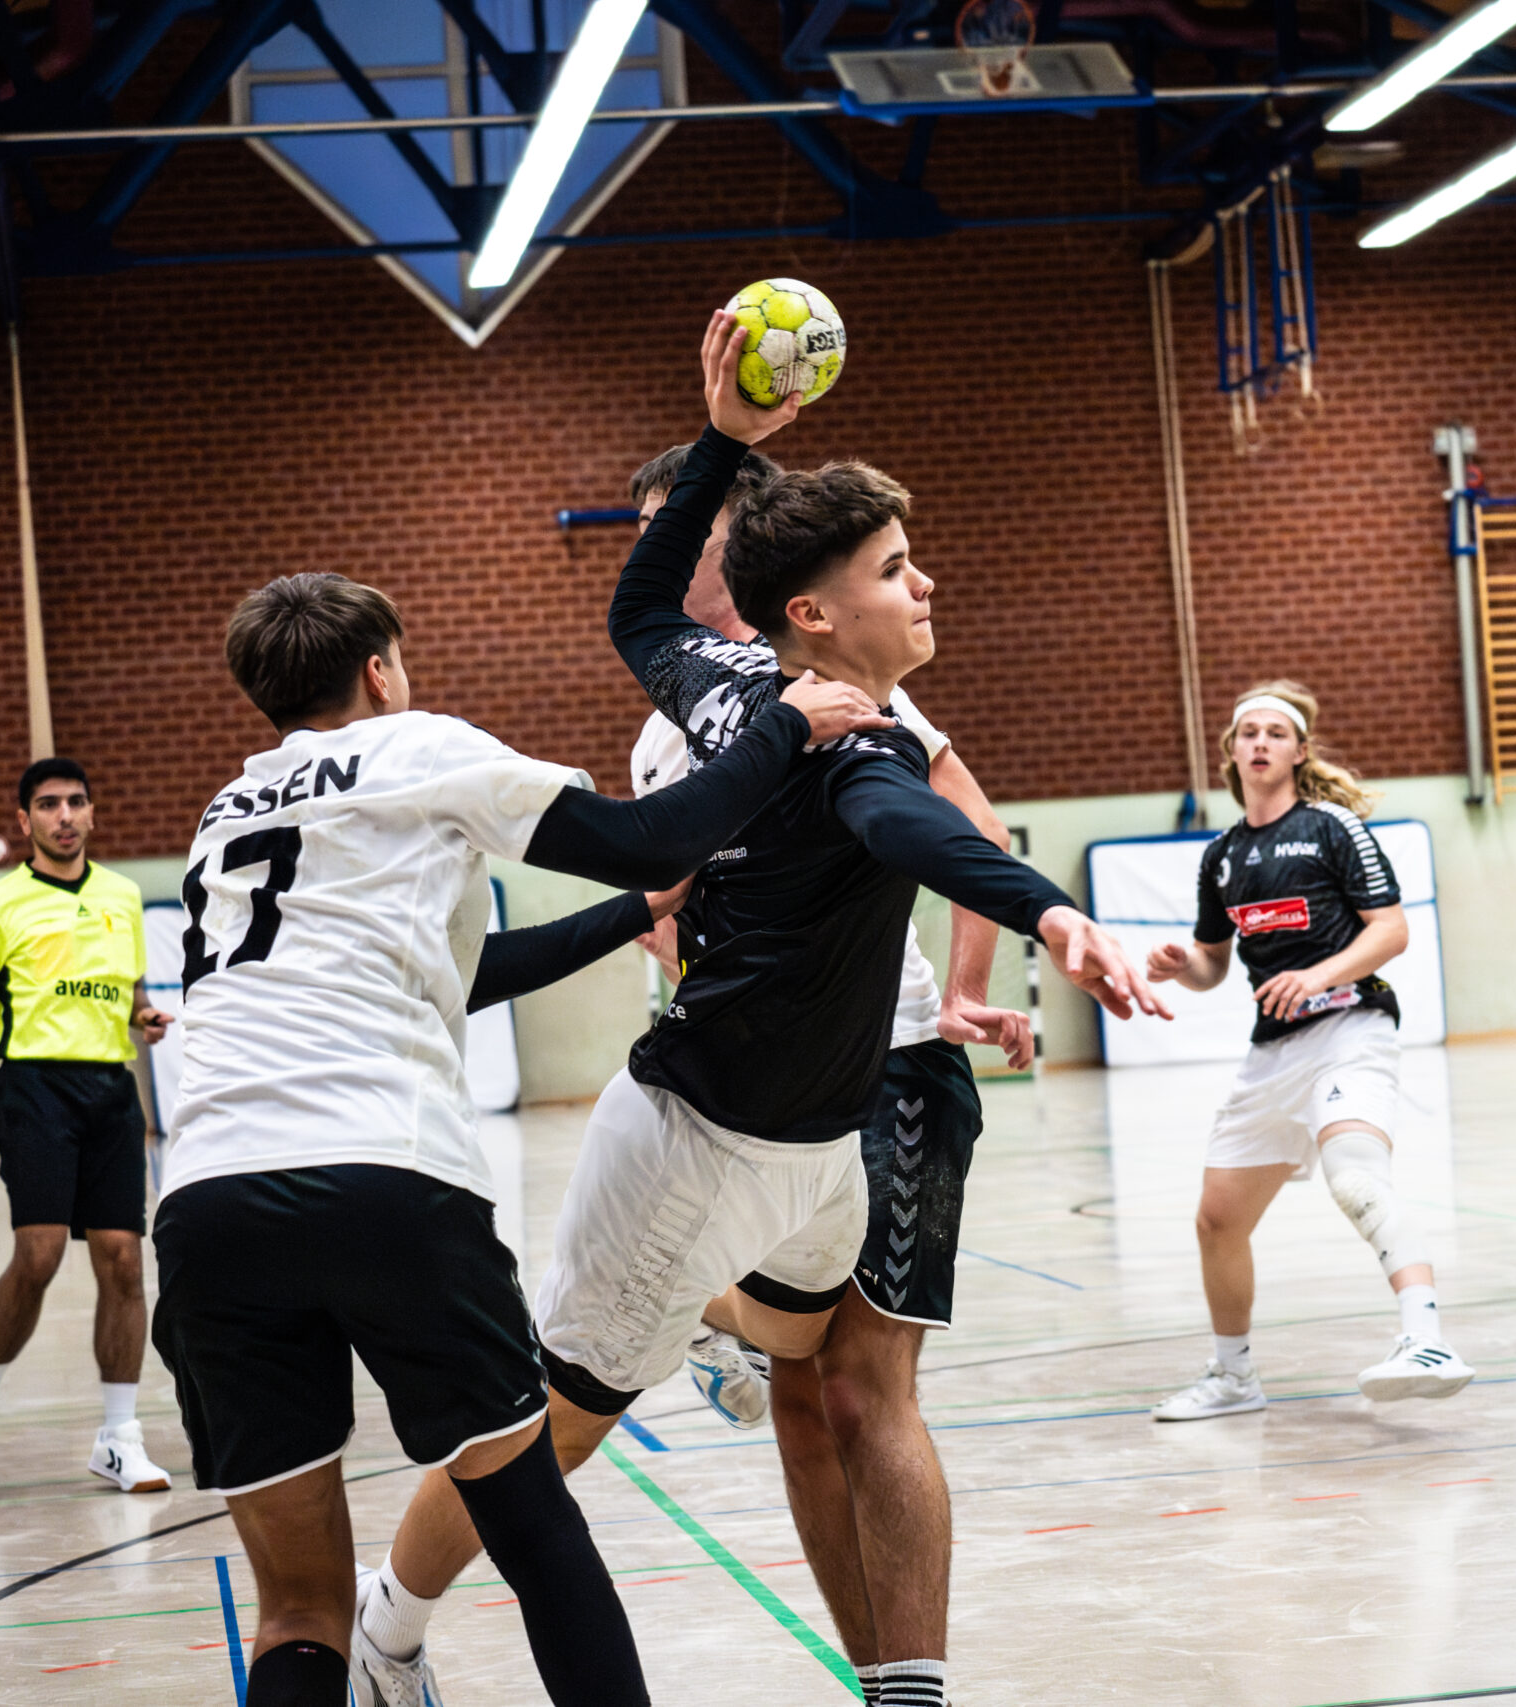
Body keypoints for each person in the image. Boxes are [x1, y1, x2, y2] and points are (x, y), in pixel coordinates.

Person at [355, 313, 1163, 1707]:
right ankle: (387, 1627)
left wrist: (729, 432)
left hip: (825, 1133)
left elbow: (649, 625)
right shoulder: (833, 744)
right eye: (896, 568)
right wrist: (1054, 914)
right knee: (556, 1430)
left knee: (818, 1350)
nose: (926, 582)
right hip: (705, 1129)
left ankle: (714, 1328)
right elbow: (907, 828)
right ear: (815, 614)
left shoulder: (747, 683)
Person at [151, 569, 885, 1707]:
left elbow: (456, 972)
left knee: (296, 1610)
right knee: (537, 1532)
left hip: (208, 1203)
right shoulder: (418, 744)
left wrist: (637, 914)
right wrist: (785, 724)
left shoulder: (227, 812)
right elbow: (647, 836)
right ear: (379, 670)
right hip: (383, 1176)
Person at [627, 437, 1035, 1703]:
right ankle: (876, 1678)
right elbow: (666, 904)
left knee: (863, 1388)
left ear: (749, 550)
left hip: (891, 1061)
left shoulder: (851, 690)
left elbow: (970, 827)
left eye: (685, 529)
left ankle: (914, 1686)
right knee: (800, 1401)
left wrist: (966, 984)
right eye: (649, 533)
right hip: (756, 1090)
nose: (662, 552)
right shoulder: (667, 730)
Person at [1143, 681, 1475, 1421]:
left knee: (1356, 1176)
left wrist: (1318, 975)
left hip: (1351, 1027)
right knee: (1217, 1220)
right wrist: (1181, 966)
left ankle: (1426, 1340)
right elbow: (1213, 963)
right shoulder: (1222, 856)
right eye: (1248, 732)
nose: (1260, 742)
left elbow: (1390, 929)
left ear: (1298, 751)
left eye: (1275, 732)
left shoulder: (1331, 827)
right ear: (1231, 752)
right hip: (1273, 1053)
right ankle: (1234, 1378)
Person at [0, 757, 174, 1495]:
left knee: (124, 1262)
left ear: (93, 812)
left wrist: (143, 1013)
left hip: (110, 1091)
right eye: (48, 804)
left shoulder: (122, 895)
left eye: (76, 801)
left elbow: (127, 989)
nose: (64, 815)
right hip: (35, 1088)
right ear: (25, 820)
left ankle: (119, 1437)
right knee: (38, 1255)